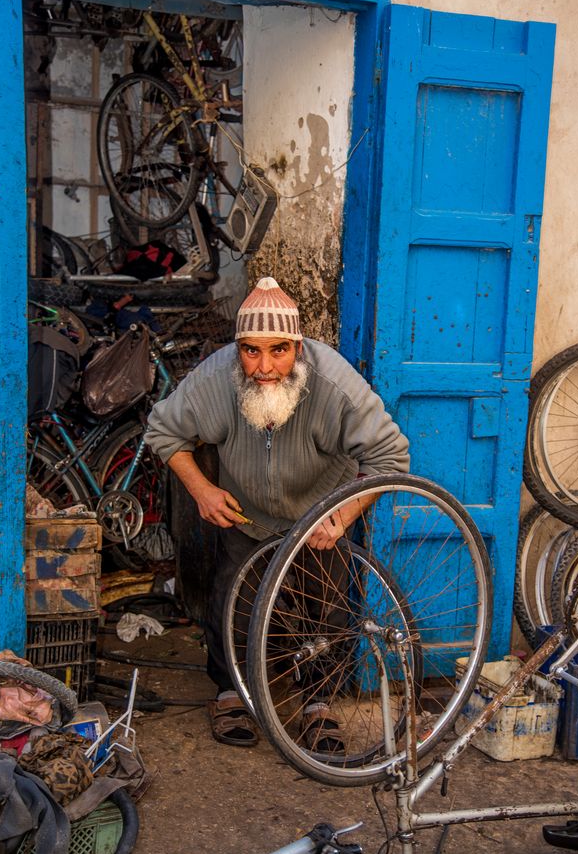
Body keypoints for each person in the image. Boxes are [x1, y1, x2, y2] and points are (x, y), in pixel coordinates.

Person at [145, 277, 409, 747]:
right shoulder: (215, 378)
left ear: (299, 346)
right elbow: (163, 432)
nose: (264, 367)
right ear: (237, 349)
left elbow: (391, 457)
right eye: (251, 351)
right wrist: (202, 490)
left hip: (318, 514)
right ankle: (230, 693)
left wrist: (343, 515)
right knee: (233, 603)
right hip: (247, 515)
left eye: (279, 350)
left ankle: (318, 703)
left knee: (324, 608)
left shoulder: (333, 384)